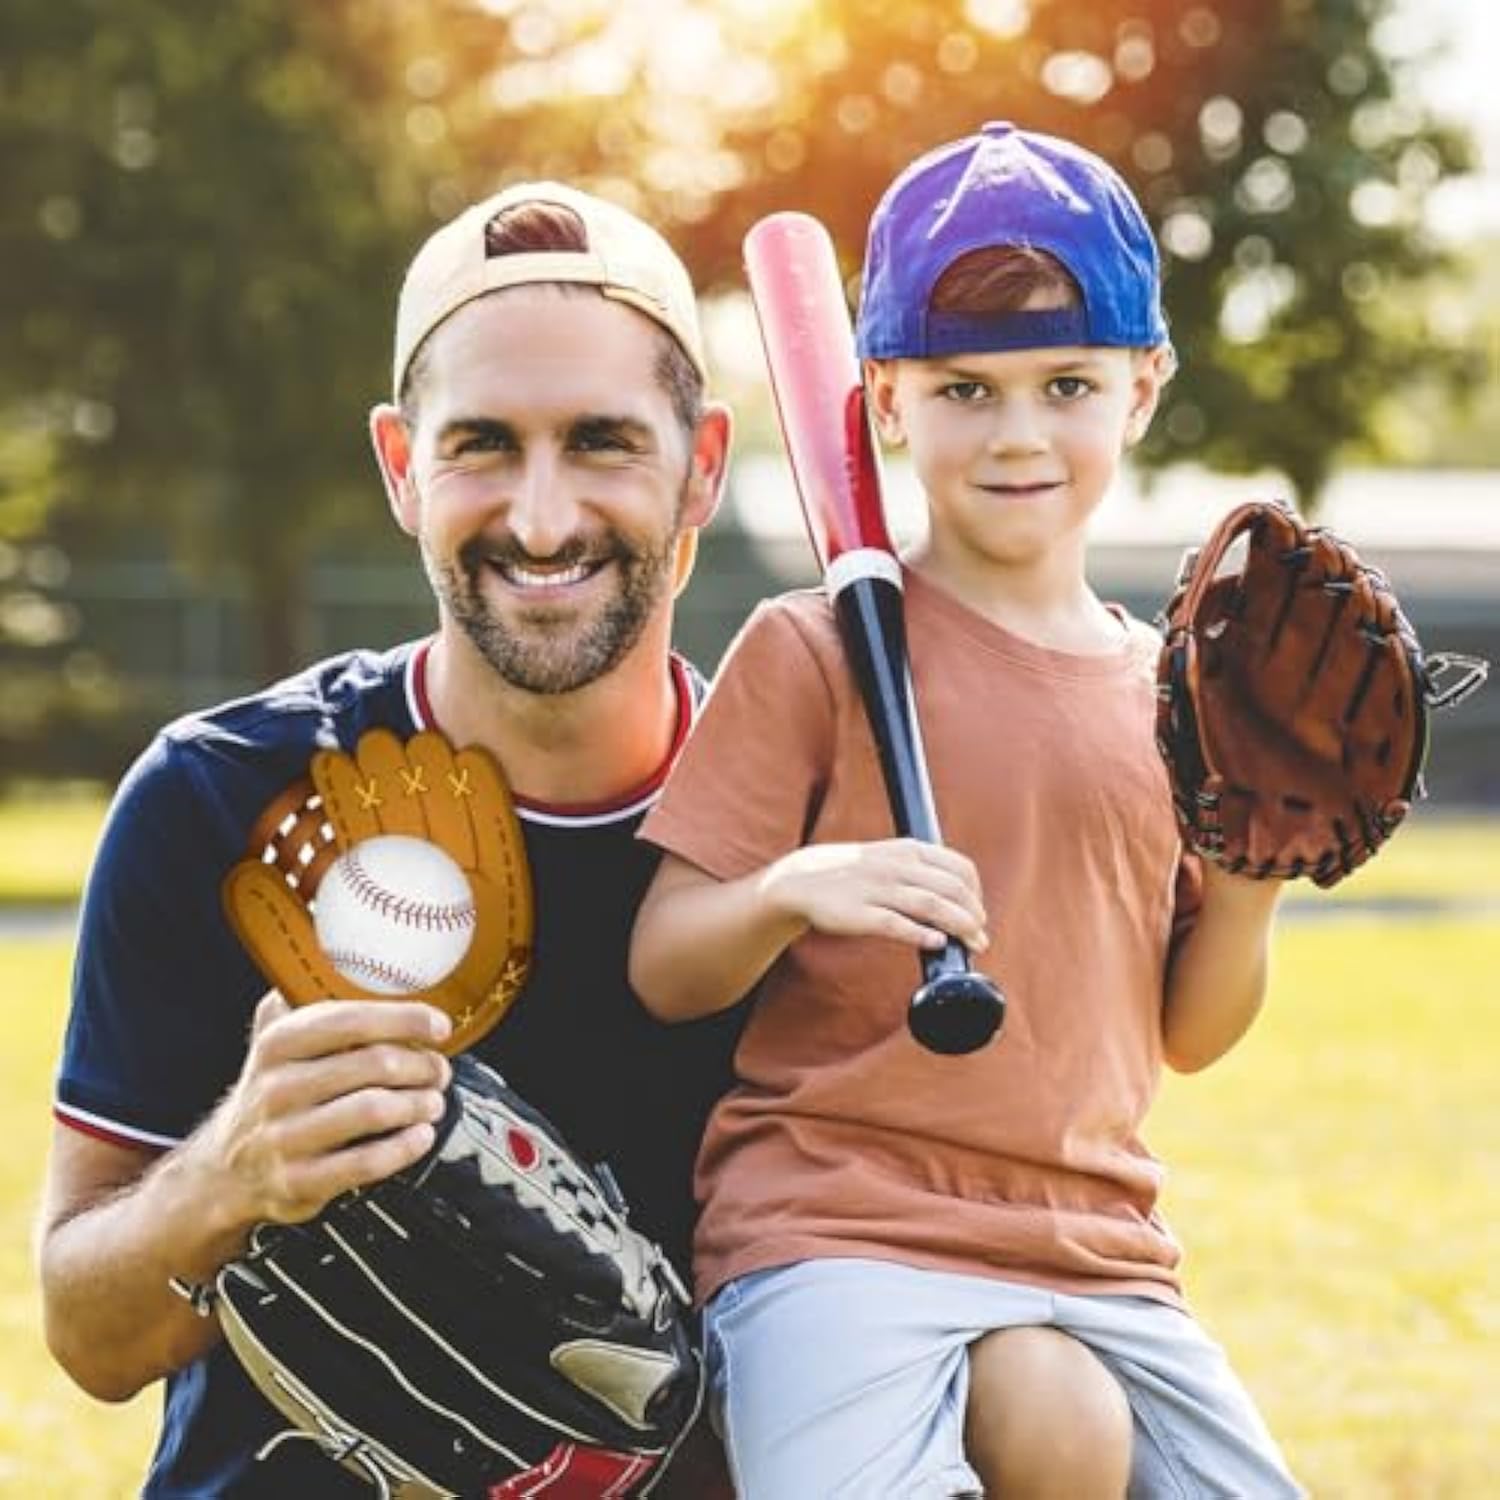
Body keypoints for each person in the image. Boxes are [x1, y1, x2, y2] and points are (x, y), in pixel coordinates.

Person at [630, 122, 1304, 1498]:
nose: (1017, 435)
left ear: (1143, 386)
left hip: (1100, 1250)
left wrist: (1250, 891)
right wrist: (786, 892)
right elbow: (664, 966)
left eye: (1066, 384)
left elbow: (1185, 1030)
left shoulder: (1175, 700)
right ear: (882, 400)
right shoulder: (812, 649)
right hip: (838, 1230)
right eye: (963, 389)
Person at [38, 181, 741, 1496]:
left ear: (701, 465)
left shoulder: (806, 828)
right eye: (482, 444)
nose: (540, 518)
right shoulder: (215, 798)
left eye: (601, 442)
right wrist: (230, 1172)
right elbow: (88, 1335)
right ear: (401, 465)